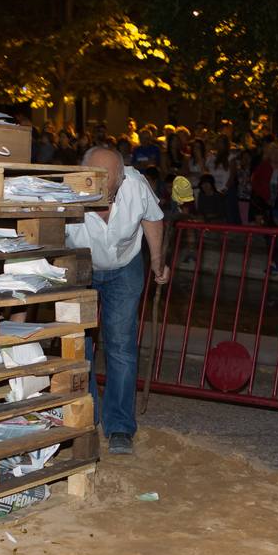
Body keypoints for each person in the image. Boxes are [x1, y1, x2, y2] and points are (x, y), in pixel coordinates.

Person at [70, 147, 168, 455]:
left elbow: (153, 218)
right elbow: (42, 237)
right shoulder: (63, 190)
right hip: (78, 267)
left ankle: (120, 427)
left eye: (110, 189)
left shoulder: (135, 185)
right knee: (78, 345)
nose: (103, 195)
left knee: (121, 344)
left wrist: (157, 260)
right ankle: (85, 418)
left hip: (124, 268)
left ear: (121, 178)